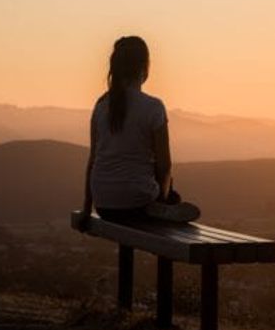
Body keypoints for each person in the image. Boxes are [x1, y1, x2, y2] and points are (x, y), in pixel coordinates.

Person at [73, 36, 200, 231]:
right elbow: (165, 166)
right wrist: (162, 198)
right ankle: (164, 207)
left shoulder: (100, 106)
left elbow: (93, 161)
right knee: (170, 189)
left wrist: (86, 209)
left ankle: (163, 205)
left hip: (104, 205)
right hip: (138, 203)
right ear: (144, 67)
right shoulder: (153, 108)